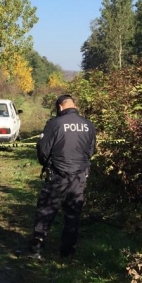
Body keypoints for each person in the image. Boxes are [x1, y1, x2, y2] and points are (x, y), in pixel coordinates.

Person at [28, 94, 96, 260]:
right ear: (74, 105)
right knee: (73, 214)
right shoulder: (88, 125)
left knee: (46, 210)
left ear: (59, 107)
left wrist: (47, 164)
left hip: (57, 176)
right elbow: (92, 151)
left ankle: (36, 250)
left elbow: (43, 150)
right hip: (79, 178)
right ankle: (67, 253)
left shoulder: (54, 124)